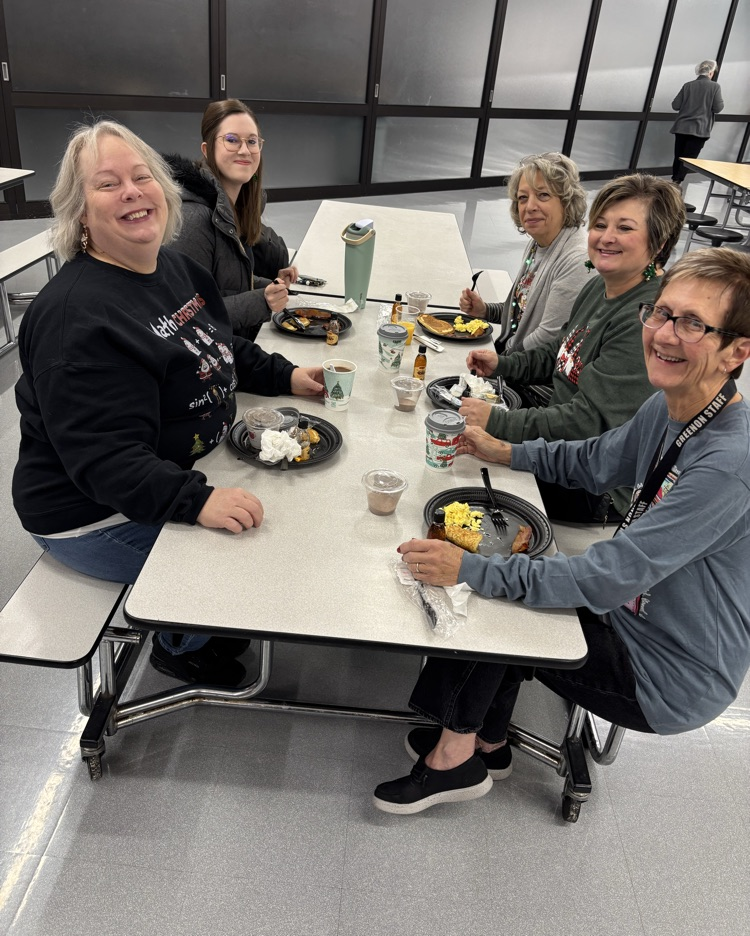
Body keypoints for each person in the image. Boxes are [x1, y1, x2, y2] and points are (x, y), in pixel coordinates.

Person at [374, 247, 750, 815]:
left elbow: (607, 576)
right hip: (628, 614)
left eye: (693, 323)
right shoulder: (673, 405)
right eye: (662, 312)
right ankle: (487, 741)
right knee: (514, 580)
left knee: (493, 593)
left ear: (737, 351)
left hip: (667, 671)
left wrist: (469, 568)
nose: (665, 334)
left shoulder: (727, 465)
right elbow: (594, 461)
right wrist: (506, 450)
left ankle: (454, 759)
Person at [12, 120, 324, 687]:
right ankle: (179, 646)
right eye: (108, 184)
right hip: (93, 514)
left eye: (142, 177)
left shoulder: (174, 267)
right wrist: (195, 502)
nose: (132, 192)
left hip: (166, 472)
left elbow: (215, 342)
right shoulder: (75, 318)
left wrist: (287, 375)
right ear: (80, 214)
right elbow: (105, 460)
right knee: (258, 556)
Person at [459, 174, 685, 522]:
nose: (606, 237)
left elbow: (587, 422)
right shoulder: (599, 287)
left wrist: (499, 423)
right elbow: (561, 351)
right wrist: (504, 364)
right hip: (562, 442)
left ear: (659, 242)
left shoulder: (645, 319)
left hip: (596, 485)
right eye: (600, 224)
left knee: (460, 467)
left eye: (625, 228)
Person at [166, 99, 296, 342]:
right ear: (207, 150)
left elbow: (223, 283)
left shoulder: (234, 206)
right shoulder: (193, 220)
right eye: (232, 140)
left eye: (252, 141)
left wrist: (269, 285)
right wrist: (261, 301)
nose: (245, 150)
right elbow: (184, 317)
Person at [459, 152, 588, 356]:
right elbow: (522, 311)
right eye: (523, 198)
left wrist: (500, 361)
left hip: (532, 370)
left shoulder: (577, 260)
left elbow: (548, 338)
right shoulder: (537, 244)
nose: (530, 207)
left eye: (543, 195)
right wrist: (485, 310)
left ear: (566, 201)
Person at [670, 60, 724, 186]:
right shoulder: (715, 87)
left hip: (682, 127)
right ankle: (676, 183)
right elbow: (718, 108)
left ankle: (674, 181)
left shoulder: (688, 85)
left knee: (678, 156)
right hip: (699, 129)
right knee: (689, 159)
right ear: (711, 72)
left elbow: (675, 105)